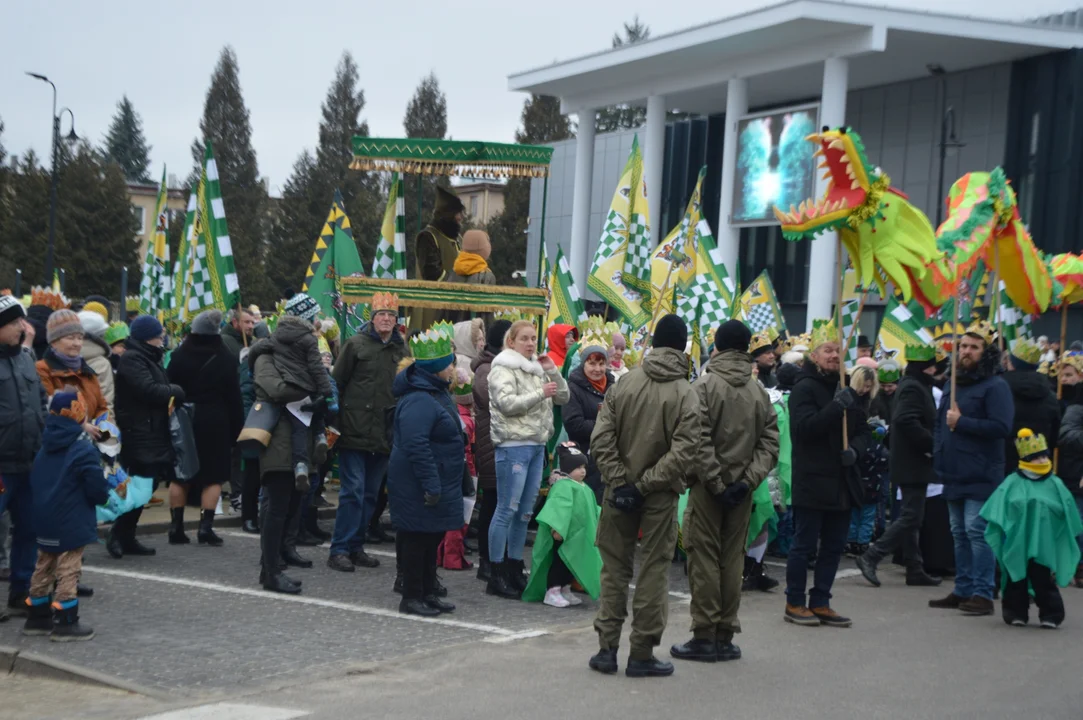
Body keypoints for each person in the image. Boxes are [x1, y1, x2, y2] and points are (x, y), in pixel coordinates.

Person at [589, 314, 707, 678]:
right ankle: (641, 653)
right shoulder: (687, 393)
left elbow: (600, 438)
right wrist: (643, 485)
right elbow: (685, 452)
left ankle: (606, 650)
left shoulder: (624, 383)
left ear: (653, 343)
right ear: (683, 346)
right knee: (654, 570)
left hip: (619, 491)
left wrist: (621, 481)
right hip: (658, 495)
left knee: (614, 570)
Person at [672, 320, 779, 664]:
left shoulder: (703, 387)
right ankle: (725, 634)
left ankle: (704, 634)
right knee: (732, 561)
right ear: (747, 348)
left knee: (703, 558)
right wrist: (747, 481)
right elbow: (769, 444)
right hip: (742, 491)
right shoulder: (758, 391)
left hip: (708, 489)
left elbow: (696, 438)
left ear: (716, 347)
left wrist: (717, 482)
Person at [784, 319, 873, 628]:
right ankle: (794, 601)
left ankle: (821, 600)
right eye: (827, 350)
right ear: (814, 355)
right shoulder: (804, 387)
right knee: (804, 545)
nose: (834, 355)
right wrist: (836, 407)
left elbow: (862, 431)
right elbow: (804, 430)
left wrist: (856, 451)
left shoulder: (846, 386)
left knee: (834, 546)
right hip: (813, 480)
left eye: (838, 350)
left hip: (842, 481)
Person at [930, 321, 1013, 616]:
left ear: (986, 352)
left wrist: (962, 423)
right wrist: (939, 452)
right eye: (963, 346)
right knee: (958, 532)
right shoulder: (952, 383)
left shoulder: (996, 386)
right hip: (953, 470)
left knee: (976, 531)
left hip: (981, 472)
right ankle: (962, 589)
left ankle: (983, 592)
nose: (966, 351)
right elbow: (941, 425)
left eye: (973, 347)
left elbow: (1002, 427)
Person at [486, 320, 570, 598]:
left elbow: (563, 397)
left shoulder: (537, 367)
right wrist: (539, 393)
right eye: (524, 338)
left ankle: (513, 568)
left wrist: (553, 372)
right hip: (513, 446)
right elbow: (506, 403)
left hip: (536, 446)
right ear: (511, 342)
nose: (531, 343)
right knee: (506, 510)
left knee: (524, 513)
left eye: (534, 338)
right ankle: (495, 572)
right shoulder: (502, 366)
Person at [21, 392, 111, 641]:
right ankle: (65, 619)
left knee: (44, 565)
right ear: (80, 413)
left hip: (44, 515)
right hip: (71, 518)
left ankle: (36, 615)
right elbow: (95, 488)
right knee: (69, 568)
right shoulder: (82, 449)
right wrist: (103, 492)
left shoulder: (45, 445)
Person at [329, 292, 407, 572]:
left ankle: (355, 545)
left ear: (397, 321)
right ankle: (339, 548)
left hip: (385, 433)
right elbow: (336, 383)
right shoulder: (355, 345)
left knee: (371, 494)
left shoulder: (403, 351)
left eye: (390, 315)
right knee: (353, 491)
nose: (386, 319)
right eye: (381, 315)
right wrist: (335, 421)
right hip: (354, 430)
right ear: (372, 319)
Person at [388, 330, 463, 617]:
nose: (453, 369)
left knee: (431, 537)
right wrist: (432, 484)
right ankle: (412, 596)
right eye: (449, 364)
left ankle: (429, 591)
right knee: (417, 539)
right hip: (417, 483)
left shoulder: (437, 392)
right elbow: (416, 445)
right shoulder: (419, 399)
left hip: (438, 477)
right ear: (434, 368)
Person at [856, 344, 944, 587]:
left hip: (912, 461)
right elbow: (906, 420)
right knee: (911, 516)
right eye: (932, 365)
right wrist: (931, 443)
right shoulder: (913, 388)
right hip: (912, 462)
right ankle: (871, 556)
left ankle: (914, 568)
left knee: (913, 516)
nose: (935, 369)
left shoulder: (912, 385)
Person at [982, 429, 1082, 628]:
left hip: (1043, 542)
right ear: (1027, 458)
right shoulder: (1012, 482)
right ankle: (1015, 612)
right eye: (1037, 457)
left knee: (1042, 577)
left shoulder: (1054, 483)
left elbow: (1068, 509)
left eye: (1045, 455)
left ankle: (1051, 614)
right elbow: (997, 507)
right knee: (1015, 575)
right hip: (1016, 541)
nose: (1043, 460)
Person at [165, 310, 243, 546]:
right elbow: (234, 397)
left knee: (179, 473)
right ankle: (205, 528)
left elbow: (168, 386)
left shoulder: (179, 355)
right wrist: (237, 428)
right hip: (216, 419)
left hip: (185, 418)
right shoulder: (227, 358)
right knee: (214, 476)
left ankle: (176, 527)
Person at [109, 315, 183, 559]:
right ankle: (118, 535)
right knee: (139, 485)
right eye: (159, 335)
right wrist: (174, 391)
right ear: (148, 337)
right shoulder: (133, 359)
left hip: (151, 430)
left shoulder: (148, 357)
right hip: (138, 431)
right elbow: (148, 390)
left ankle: (127, 536)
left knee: (146, 485)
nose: (162, 339)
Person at [0, 296, 48, 618]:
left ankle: (21, 592)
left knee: (29, 529)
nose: (23, 327)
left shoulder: (26, 359)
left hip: (29, 463)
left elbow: (40, 403)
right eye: (15, 322)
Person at [256, 294, 334, 484]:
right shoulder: (309, 339)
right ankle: (320, 437)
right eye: (314, 316)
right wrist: (327, 393)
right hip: (308, 387)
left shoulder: (276, 337)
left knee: (298, 428)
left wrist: (251, 358)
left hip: (290, 389)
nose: (317, 320)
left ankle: (300, 465)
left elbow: (260, 347)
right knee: (314, 416)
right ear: (306, 317)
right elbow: (317, 368)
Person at [522, 442, 601, 608]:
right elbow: (557, 508)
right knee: (560, 562)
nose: (583, 471)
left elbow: (591, 508)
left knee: (571, 564)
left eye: (583, 466)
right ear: (567, 469)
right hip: (564, 536)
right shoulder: (563, 486)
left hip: (577, 536)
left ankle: (565, 588)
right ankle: (552, 590)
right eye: (578, 467)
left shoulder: (583, 487)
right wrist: (556, 528)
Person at [471, 319, 511, 582]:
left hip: (506, 444)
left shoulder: (510, 365)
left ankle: (502, 557)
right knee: (493, 503)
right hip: (491, 445)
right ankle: (487, 559)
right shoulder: (487, 369)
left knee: (505, 503)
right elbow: (496, 400)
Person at [563, 329, 615, 505]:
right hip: (584, 459)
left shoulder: (613, 387)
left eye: (601, 364)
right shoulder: (574, 387)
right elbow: (574, 424)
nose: (597, 369)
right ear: (583, 364)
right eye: (592, 364)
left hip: (609, 456)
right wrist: (604, 426)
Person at [35, 310, 110, 427]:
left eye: (80, 338)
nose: (77, 343)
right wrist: (83, 426)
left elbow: (102, 407)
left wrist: (106, 432)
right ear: (54, 342)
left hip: (91, 441)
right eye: (70, 338)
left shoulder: (87, 371)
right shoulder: (42, 370)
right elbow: (50, 411)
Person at [411, 186, 465, 332]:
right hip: (431, 308)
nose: (461, 217)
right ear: (447, 215)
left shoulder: (458, 238)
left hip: (453, 307)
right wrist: (460, 284)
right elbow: (432, 274)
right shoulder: (427, 237)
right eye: (457, 213)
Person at [1003, 337, 1061, 470]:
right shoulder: (1050, 395)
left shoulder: (1000, 389)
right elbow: (1054, 435)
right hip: (1038, 462)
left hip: (1004, 462)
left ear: (1011, 363)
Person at [844, 367, 884, 557]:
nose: (865, 390)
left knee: (863, 512)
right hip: (854, 456)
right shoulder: (848, 399)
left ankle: (858, 541)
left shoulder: (871, 401)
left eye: (869, 386)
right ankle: (853, 540)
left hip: (865, 457)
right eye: (863, 385)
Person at [1057, 366, 1083, 588]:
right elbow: (1066, 436)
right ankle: (1076, 565)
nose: (1064, 380)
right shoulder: (1075, 406)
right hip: (1073, 472)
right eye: (1062, 375)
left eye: (1069, 375)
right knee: (1076, 522)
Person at [77, 310, 115, 413]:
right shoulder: (102, 363)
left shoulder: (60, 357)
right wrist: (107, 428)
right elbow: (106, 402)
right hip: (95, 425)